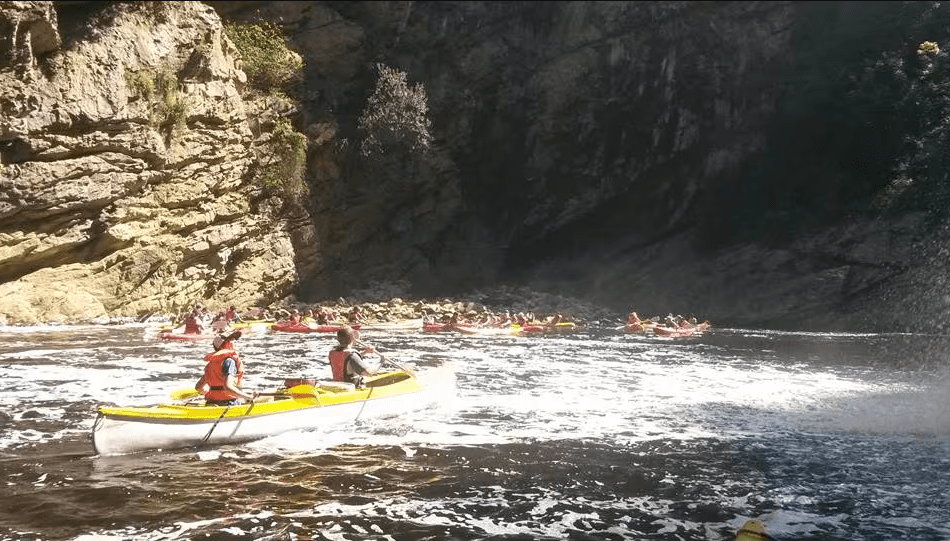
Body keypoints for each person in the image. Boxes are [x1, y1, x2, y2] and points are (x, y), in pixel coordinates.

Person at [195, 331, 258, 405]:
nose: (233, 343)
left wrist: (210, 393)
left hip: (211, 402)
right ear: (225, 345)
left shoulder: (210, 364)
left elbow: (198, 387)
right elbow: (228, 386)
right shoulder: (229, 361)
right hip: (228, 403)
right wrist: (248, 397)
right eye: (230, 341)